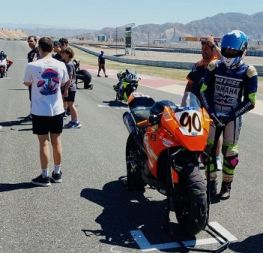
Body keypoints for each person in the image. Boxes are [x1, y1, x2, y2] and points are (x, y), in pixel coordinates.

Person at [200, 30, 258, 200]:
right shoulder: (213, 66)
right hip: (212, 115)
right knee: (208, 150)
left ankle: (227, 185)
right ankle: (210, 184)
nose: (229, 54)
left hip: (232, 117)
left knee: (230, 152)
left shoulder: (249, 71)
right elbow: (204, 92)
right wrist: (211, 111)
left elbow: (250, 101)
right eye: (226, 50)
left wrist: (230, 115)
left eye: (234, 51)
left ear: (243, 50)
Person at [23, 37, 70, 186]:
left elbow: (27, 82)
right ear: (52, 48)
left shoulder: (32, 65)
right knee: (57, 141)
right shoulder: (61, 65)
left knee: (43, 142)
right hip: (57, 109)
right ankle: (57, 173)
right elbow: (64, 82)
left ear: (40, 48)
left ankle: (44, 176)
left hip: (39, 110)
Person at [184, 36, 223, 171]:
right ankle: (198, 156)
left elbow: (224, 59)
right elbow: (189, 85)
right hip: (195, 105)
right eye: (202, 49)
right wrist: (185, 100)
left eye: (207, 49)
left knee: (214, 132)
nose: (204, 51)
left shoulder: (219, 65)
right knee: (194, 131)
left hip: (212, 106)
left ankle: (217, 158)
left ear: (213, 49)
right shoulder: (198, 65)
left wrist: (214, 46)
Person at [60, 47, 82, 129]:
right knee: (70, 105)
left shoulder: (69, 64)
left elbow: (69, 78)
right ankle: (73, 120)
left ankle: (76, 121)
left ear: (68, 54)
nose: (61, 54)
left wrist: (65, 90)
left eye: (63, 53)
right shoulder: (67, 63)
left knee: (71, 105)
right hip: (69, 87)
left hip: (70, 88)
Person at [25, 35, 40, 121]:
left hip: (37, 79)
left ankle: (35, 114)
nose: (29, 43)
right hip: (32, 79)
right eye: (28, 41)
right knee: (32, 97)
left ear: (36, 41)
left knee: (35, 97)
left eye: (31, 41)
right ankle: (32, 113)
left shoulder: (38, 51)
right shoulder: (31, 53)